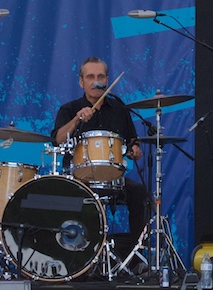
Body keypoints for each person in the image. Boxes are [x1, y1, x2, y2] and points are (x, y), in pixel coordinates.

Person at [53, 57, 150, 240]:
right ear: (81, 82)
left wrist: (134, 151)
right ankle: (81, 255)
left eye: (100, 76)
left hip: (113, 177)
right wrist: (76, 120)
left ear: (106, 80)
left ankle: (134, 255)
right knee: (68, 196)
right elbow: (57, 140)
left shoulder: (120, 109)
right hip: (79, 178)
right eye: (90, 76)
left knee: (140, 194)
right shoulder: (69, 109)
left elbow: (132, 144)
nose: (96, 81)